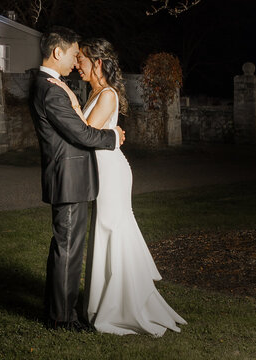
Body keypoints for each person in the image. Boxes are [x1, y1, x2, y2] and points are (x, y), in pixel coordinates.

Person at [75, 38, 185, 336]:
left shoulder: (107, 94)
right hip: (103, 172)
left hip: (112, 173)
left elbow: (84, 133)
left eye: (82, 59)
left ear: (97, 62)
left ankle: (120, 305)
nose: (77, 64)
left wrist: (70, 102)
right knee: (105, 231)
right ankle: (101, 302)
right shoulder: (95, 92)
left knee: (112, 229)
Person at [29, 26, 123, 332]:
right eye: (72, 54)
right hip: (68, 178)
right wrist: (113, 136)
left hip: (69, 177)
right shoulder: (51, 89)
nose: (75, 61)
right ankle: (61, 319)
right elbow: (81, 133)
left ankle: (58, 311)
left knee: (65, 247)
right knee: (68, 250)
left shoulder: (51, 86)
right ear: (58, 52)